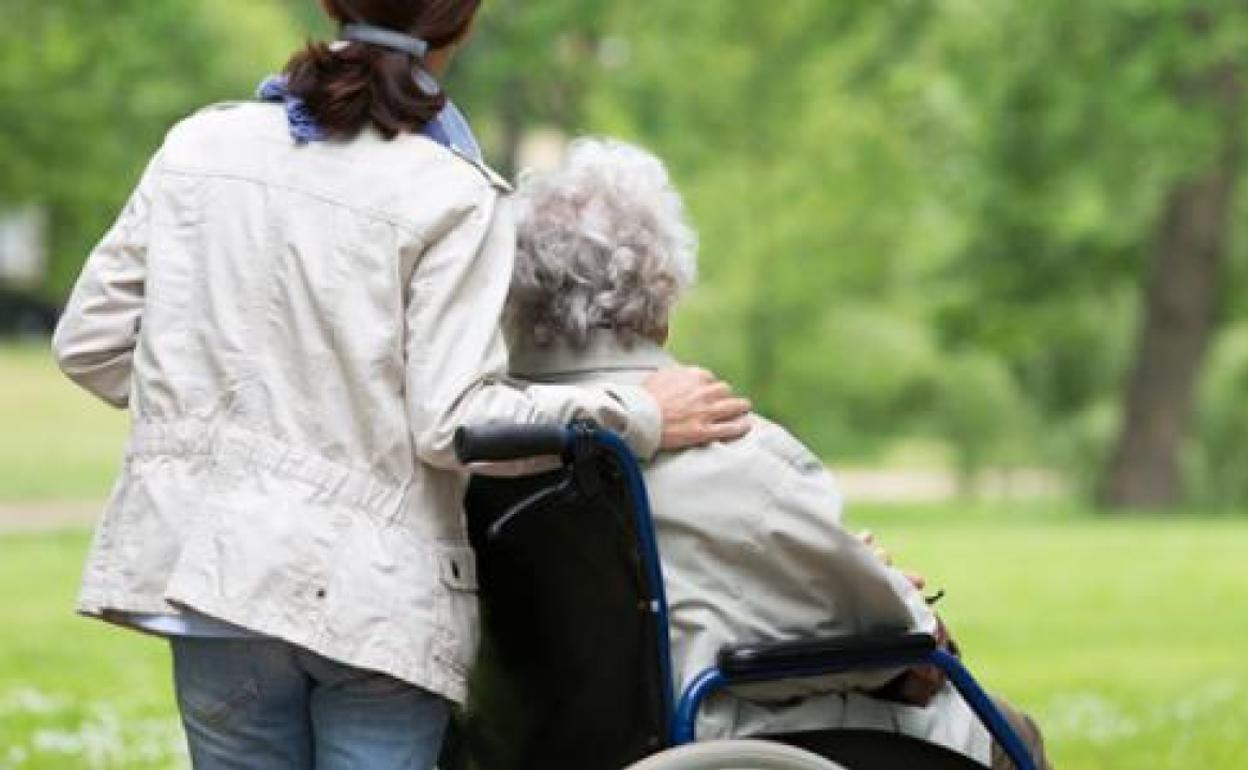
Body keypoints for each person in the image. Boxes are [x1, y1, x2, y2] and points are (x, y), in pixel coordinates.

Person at [50, 3, 751, 768]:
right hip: (372, 597)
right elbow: (455, 423)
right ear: (465, 23)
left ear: (329, 5)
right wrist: (638, 413)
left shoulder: (198, 145)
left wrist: (211, 401)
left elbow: (90, 343)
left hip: (212, 576)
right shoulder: (452, 192)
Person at [504, 138, 1052, 770]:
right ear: (663, 287)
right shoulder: (734, 449)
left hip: (563, 743)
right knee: (1010, 732)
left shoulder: (500, 440)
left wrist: (844, 572)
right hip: (723, 740)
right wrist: (889, 594)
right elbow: (905, 653)